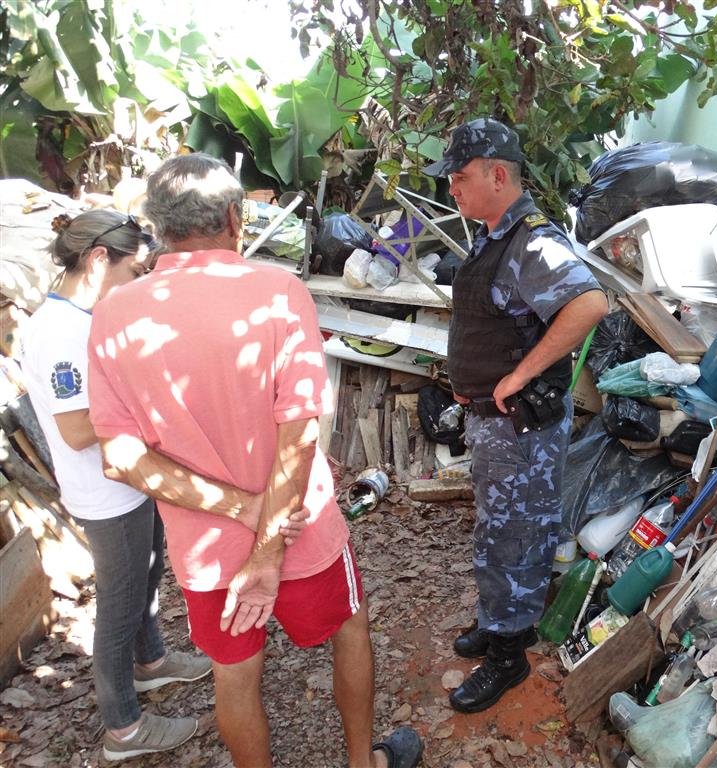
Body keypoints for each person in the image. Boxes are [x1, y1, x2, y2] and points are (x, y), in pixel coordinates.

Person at [86, 154, 422, 768]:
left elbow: (122, 457)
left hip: (205, 547)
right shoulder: (277, 291)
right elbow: (299, 433)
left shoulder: (114, 313)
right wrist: (267, 546)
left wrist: (240, 512)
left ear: (157, 227)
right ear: (235, 218)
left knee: (233, 674)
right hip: (300, 527)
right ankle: (361, 761)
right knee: (349, 627)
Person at [424, 118, 608, 713]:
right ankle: (497, 620)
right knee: (497, 529)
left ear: (497, 175)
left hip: (520, 428)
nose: (451, 188)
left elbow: (589, 302)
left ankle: (508, 653)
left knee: (518, 535)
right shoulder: (494, 234)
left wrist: (521, 373)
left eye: (459, 177)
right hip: (493, 423)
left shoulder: (532, 239)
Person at [20, 210, 211, 762]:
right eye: (131, 271)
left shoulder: (81, 318)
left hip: (128, 479)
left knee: (148, 575)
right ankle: (123, 728)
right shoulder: (58, 334)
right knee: (120, 605)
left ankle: (151, 662)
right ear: (98, 260)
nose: (133, 284)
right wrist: (153, 419)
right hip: (107, 491)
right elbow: (78, 429)